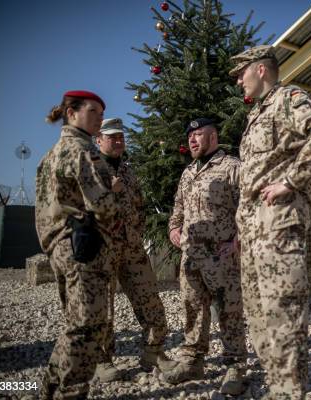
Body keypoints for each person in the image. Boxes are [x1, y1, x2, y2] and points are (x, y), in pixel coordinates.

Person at [230, 45, 311, 399]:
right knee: (259, 316)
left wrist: (290, 181)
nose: (237, 80)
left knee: (284, 312)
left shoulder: (288, 99)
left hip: (278, 224)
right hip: (253, 230)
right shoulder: (256, 115)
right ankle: (277, 387)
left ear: (261, 69)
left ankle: (289, 393)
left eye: (240, 72)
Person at [35, 90, 122, 399]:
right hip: (83, 246)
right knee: (90, 326)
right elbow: (103, 203)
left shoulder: (50, 154)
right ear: (72, 113)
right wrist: (113, 193)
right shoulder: (83, 149)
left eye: (100, 112)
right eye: (93, 112)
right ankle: (70, 392)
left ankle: (51, 387)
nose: (99, 118)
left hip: (59, 246)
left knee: (75, 324)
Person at [164, 118, 247, 395]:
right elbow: (178, 206)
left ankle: (235, 365)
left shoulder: (232, 167)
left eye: (198, 135)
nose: (192, 140)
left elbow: (252, 204)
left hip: (221, 255)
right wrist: (174, 227)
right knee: (192, 309)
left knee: (229, 309)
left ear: (213, 136)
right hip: (191, 256)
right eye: (190, 136)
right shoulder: (188, 172)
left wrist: (238, 239)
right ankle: (192, 360)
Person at [92, 118, 177, 382]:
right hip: (101, 249)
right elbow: (78, 209)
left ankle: (153, 352)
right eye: (111, 137)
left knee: (150, 298)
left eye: (120, 137)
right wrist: (108, 189)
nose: (118, 141)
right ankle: (101, 361)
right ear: (98, 140)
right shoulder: (89, 170)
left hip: (131, 247)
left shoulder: (128, 171)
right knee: (102, 307)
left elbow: (138, 206)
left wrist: (136, 234)